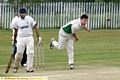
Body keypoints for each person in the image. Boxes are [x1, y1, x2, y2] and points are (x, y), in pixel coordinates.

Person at [10, 8, 42, 73]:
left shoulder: (29, 19)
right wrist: (14, 40)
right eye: (21, 13)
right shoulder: (16, 21)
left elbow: (35, 26)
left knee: (30, 53)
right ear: (19, 13)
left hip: (29, 37)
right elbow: (15, 31)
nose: (22, 14)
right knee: (19, 53)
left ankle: (29, 67)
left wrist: (38, 36)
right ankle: (16, 66)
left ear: (25, 13)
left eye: (24, 13)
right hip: (20, 38)